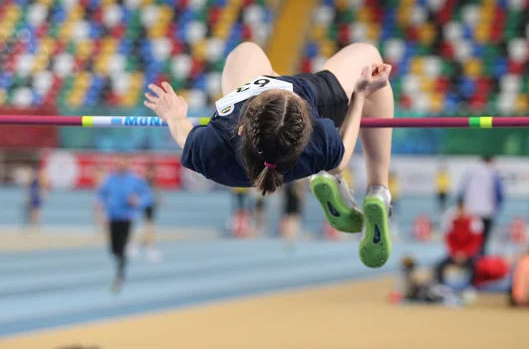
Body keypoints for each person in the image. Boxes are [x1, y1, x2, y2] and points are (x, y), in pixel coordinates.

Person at [144, 42, 394, 268]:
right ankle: (378, 190)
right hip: (311, 114)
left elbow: (181, 131)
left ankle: (329, 177)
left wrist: (173, 114)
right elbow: (341, 159)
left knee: (246, 51)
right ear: (307, 123)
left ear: (241, 128)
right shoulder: (320, 140)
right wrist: (360, 96)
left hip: (283, 150)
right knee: (370, 59)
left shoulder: (215, 146)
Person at [97, 155, 152, 293]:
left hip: (126, 218)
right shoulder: (110, 179)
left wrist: (137, 201)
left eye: (124, 162)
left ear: (128, 164)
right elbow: (101, 194)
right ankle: (120, 265)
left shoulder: (134, 180)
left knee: (121, 247)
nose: (121, 164)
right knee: (113, 249)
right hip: (113, 218)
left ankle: (120, 276)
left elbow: (147, 196)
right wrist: (101, 206)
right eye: (119, 162)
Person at [458, 156, 503, 255]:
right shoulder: (493, 172)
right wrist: (498, 206)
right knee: (483, 239)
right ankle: (480, 256)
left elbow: (461, 191)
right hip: (487, 211)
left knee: (471, 237)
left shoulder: (470, 172)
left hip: (471, 211)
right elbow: (499, 193)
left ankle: (470, 255)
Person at [435, 200, 483, 287]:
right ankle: (441, 286)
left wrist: (465, 253)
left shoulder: (473, 222)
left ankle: (471, 287)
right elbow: (449, 240)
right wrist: (456, 253)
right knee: (439, 266)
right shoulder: (452, 222)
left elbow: (475, 242)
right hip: (455, 255)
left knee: (476, 268)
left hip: (468, 255)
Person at [139, 165, 161, 262]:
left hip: (151, 205)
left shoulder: (151, 181)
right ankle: (149, 246)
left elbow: (155, 191)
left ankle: (146, 244)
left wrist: (158, 198)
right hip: (146, 205)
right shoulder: (144, 181)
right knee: (150, 226)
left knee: (150, 226)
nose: (152, 174)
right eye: (151, 172)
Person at [281, 179, 305, 248]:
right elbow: (283, 193)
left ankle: (293, 238)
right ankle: (288, 239)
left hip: (295, 202)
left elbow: (300, 194)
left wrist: (298, 186)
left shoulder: (298, 181)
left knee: (294, 221)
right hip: (289, 202)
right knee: (288, 221)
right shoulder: (287, 181)